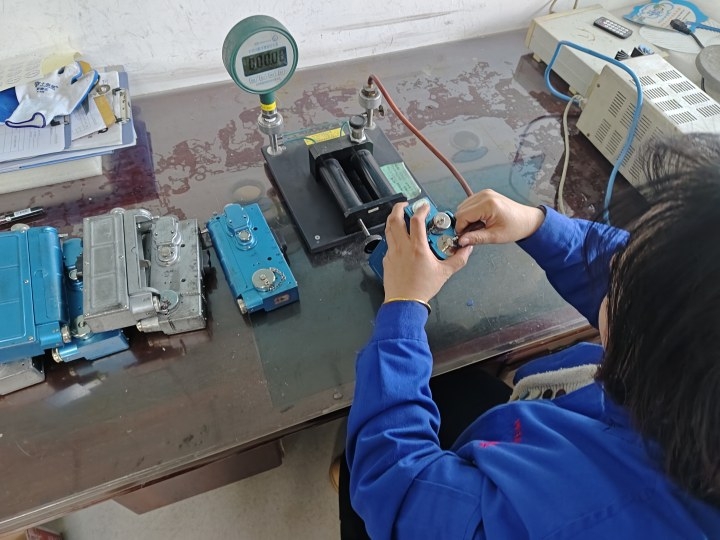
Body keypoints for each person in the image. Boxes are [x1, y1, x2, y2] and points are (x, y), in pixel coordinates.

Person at [341, 133, 720, 539]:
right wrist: (538, 226)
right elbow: (658, 280)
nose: (613, 265)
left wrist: (404, 305)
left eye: (621, 278)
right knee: (458, 387)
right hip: (546, 431)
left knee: (358, 454)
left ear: (652, 354)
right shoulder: (690, 391)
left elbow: (400, 487)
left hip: (442, 499)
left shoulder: (568, 523)